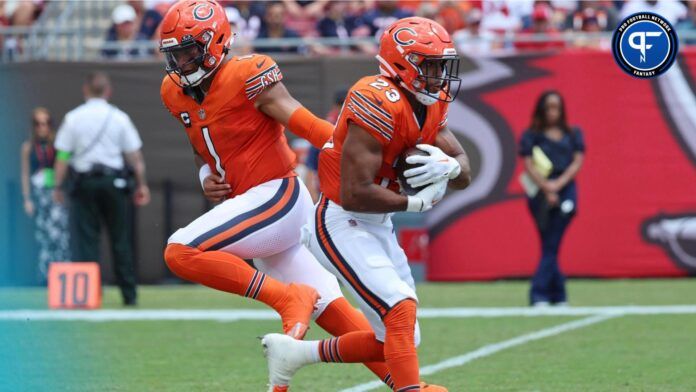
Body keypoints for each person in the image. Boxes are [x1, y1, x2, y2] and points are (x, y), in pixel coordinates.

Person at [158, 2, 407, 390]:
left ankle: (287, 299)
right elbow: (201, 145)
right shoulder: (174, 91)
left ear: (216, 42)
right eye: (175, 53)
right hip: (257, 215)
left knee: (181, 251)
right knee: (344, 319)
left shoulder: (246, 72)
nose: (182, 62)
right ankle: (411, 386)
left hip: (278, 196)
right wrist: (206, 172)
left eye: (189, 50)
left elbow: (304, 122)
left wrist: (372, 155)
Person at [261, 17, 471, 392]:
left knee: (402, 335)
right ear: (402, 63)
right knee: (400, 308)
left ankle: (294, 354)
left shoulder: (430, 105)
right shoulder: (374, 98)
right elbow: (355, 191)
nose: (439, 75)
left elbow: (464, 174)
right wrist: (415, 203)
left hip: (377, 223)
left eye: (443, 65)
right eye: (431, 65)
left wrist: (453, 164)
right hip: (340, 220)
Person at [53, 72, 150, 306]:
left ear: (85, 90)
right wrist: (141, 184)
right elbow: (134, 156)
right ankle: (129, 295)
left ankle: (88, 294)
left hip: (84, 183)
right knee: (120, 239)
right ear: (108, 91)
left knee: (87, 240)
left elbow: (63, 156)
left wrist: (57, 186)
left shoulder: (73, 118)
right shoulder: (119, 118)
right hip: (113, 183)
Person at [519, 90, 585, 307]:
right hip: (540, 192)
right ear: (541, 109)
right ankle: (558, 295)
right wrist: (547, 188)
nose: (552, 112)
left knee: (552, 243)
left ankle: (538, 294)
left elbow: (577, 161)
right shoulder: (531, 135)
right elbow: (528, 164)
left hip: (566, 189)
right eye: (548, 107)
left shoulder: (573, 133)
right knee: (549, 244)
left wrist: (559, 184)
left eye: (556, 107)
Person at [20, 107, 70, 282]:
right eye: (38, 124)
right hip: (38, 194)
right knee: (42, 237)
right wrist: (27, 199)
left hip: (55, 193)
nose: (42, 127)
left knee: (59, 235)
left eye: (46, 123)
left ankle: (63, 277)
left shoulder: (57, 145)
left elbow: (64, 165)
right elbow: (25, 174)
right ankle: (44, 278)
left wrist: (60, 188)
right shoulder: (28, 147)